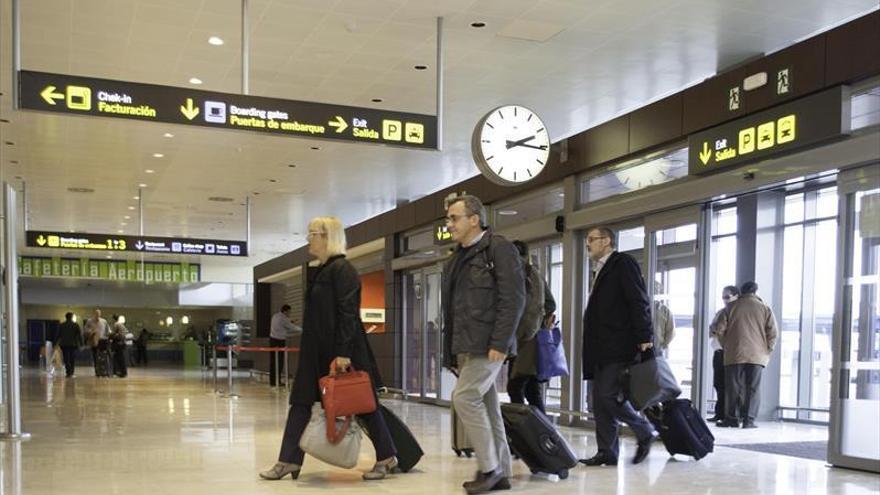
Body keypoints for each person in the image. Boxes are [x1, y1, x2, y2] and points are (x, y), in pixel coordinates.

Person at [260, 216, 398, 482]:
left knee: (362, 404)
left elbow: (348, 313)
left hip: (340, 352)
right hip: (316, 352)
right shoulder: (322, 270)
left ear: (327, 237)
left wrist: (344, 352)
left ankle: (386, 456)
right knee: (300, 402)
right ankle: (288, 460)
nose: (308, 238)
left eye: (312, 233)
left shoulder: (343, 270)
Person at [442, 195, 525, 494]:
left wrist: (501, 341)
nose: (449, 224)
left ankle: (489, 468)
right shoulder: (457, 258)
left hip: (490, 343)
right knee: (489, 408)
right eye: (449, 218)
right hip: (467, 345)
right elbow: (451, 309)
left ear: (474, 219)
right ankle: (500, 473)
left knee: (464, 397)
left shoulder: (498, 248)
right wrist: (449, 352)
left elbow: (513, 298)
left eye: (455, 218)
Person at [580, 226, 658, 467]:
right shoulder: (599, 270)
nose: (588, 245)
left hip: (618, 344)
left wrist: (645, 335)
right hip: (600, 347)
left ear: (606, 241)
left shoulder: (622, 263)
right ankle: (607, 451)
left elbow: (638, 299)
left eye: (591, 240)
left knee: (608, 396)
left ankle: (644, 429)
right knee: (599, 400)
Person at [714, 281, 778, 429]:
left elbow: (719, 330)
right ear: (755, 291)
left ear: (741, 292)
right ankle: (748, 420)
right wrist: (767, 349)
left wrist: (727, 346)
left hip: (734, 354)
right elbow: (773, 333)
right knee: (753, 388)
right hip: (757, 354)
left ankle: (731, 419)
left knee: (733, 387)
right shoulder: (765, 308)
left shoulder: (730, 307)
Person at [506, 240, 556, 415]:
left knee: (515, 387)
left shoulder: (520, 274)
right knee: (531, 390)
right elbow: (550, 304)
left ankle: (523, 429)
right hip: (532, 339)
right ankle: (542, 431)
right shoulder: (535, 273)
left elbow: (528, 308)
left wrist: (524, 332)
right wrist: (541, 322)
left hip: (524, 340)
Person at [708, 285, 740, 422]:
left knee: (727, 385)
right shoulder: (721, 312)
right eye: (723, 297)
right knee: (718, 384)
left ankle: (726, 414)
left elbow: (717, 330)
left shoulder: (734, 313)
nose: (724, 300)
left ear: (736, 296)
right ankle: (720, 413)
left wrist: (715, 330)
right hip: (718, 352)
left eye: (727, 297)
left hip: (728, 352)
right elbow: (712, 331)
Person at [269, 304, 300, 387]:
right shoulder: (283, 318)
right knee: (279, 362)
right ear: (285, 311)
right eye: (289, 312)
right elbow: (291, 327)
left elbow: (284, 324)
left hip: (272, 340)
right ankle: (277, 381)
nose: (289, 314)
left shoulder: (275, 316)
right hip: (279, 341)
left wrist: (290, 322)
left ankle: (272, 381)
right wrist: (303, 330)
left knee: (273, 362)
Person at [55, 312, 83, 378]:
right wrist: (81, 344)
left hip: (64, 344)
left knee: (66, 359)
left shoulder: (62, 325)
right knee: (72, 359)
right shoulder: (75, 325)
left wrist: (55, 343)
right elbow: (79, 335)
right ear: (72, 317)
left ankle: (68, 372)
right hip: (73, 344)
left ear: (66, 317)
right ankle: (72, 372)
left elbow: (58, 335)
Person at [83, 309, 110, 375]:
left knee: (103, 356)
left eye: (99, 313)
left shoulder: (104, 321)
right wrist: (90, 332)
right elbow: (85, 331)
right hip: (94, 341)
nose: (97, 315)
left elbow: (108, 331)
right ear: (94, 314)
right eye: (96, 313)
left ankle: (103, 371)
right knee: (95, 356)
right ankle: (97, 370)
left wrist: (109, 337)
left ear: (100, 314)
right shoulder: (89, 321)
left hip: (102, 341)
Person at [652, 282, 675, 357]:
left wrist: (663, 346)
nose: (655, 291)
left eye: (657, 289)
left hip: (657, 350)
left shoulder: (666, 311)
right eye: (653, 289)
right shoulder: (641, 308)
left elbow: (671, 331)